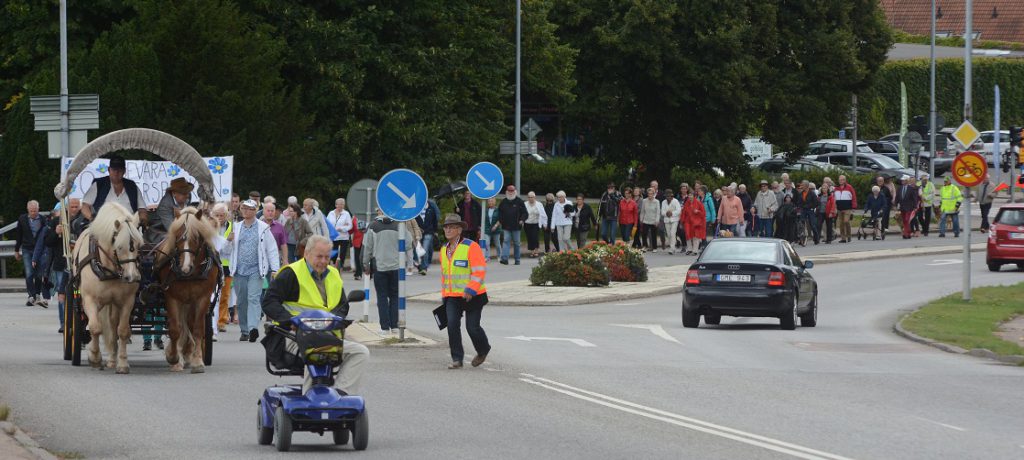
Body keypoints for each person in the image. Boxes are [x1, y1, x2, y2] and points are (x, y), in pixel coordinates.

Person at [262, 235, 369, 395]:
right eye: (319, 256)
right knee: (319, 349)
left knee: (360, 352)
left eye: (327, 257)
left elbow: (341, 306)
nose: (324, 261)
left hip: (327, 335)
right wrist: (289, 320)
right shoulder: (291, 273)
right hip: (292, 336)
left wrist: (335, 320)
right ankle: (310, 399)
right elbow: (269, 302)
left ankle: (340, 394)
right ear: (307, 254)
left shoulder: (333, 274)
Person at [439, 214, 491, 369]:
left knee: (472, 327)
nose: (448, 230)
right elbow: (445, 275)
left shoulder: (471, 246)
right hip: (452, 296)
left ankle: (483, 350)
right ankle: (457, 359)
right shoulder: (443, 249)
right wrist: (444, 296)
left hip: (473, 295)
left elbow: (479, 271)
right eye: (446, 227)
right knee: (452, 325)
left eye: (452, 227)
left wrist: (471, 289)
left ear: (459, 230)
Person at [229, 199, 281, 342]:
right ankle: (244, 329)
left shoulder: (263, 228)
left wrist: (275, 268)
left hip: (256, 269)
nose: (246, 211)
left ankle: (253, 328)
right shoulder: (236, 227)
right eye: (243, 208)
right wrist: (228, 240)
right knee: (241, 301)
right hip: (239, 269)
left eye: (249, 209)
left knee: (253, 298)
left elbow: (271, 249)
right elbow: (227, 250)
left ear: (255, 211)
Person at [362, 209, 400, 336]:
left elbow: (367, 246)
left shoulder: (373, 226)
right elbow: (408, 244)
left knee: (382, 297)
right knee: (395, 296)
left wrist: (365, 263)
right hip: (396, 266)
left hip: (379, 266)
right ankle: (395, 326)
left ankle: (384, 328)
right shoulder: (399, 224)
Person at [80, 155, 147, 222]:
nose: (116, 173)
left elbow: (142, 209)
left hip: (129, 224)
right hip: (104, 225)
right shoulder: (99, 184)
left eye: (119, 170)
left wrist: (141, 222)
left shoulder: (132, 186)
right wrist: (93, 220)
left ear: (124, 171)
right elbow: (85, 206)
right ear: (109, 170)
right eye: (114, 169)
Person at [13, 200, 50, 307]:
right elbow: (19, 235)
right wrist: (16, 250)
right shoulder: (22, 219)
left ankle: (38, 294)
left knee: (39, 274)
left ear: (38, 209)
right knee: (29, 273)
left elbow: (46, 236)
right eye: (31, 211)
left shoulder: (43, 219)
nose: (33, 213)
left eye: (35, 211)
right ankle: (31, 295)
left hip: (39, 251)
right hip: (27, 249)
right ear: (28, 210)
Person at [210, 202, 234, 335]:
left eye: (222, 215)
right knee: (213, 295)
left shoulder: (232, 227)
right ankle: (212, 320)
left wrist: (227, 244)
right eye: (217, 215)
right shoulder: (209, 227)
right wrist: (226, 242)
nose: (219, 217)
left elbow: (229, 250)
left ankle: (222, 321)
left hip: (227, 264)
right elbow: (216, 247)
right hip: (213, 264)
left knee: (225, 295)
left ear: (226, 215)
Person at [146, 178, 193, 244]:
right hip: (160, 233)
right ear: (174, 193)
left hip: (182, 229)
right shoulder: (165, 205)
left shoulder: (187, 196)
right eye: (184, 193)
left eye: (188, 192)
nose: (187, 195)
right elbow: (172, 228)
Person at [497, 185, 528, 265]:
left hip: (516, 226)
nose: (511, 193)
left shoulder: (519, 201)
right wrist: (500, 220)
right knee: (506, 241)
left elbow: (525, 213)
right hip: (506, 226)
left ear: (515, 192)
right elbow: (499, 212)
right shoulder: (503, 202)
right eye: (509, 191)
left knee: (516, 243)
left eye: (512, 191)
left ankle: (517, 259)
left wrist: (522, 220)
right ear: (506, 192)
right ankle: (504, 259)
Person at [326, 198, 353, 270]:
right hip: (333, 237)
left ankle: (340, 266)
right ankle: (334, 264)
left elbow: (350, 226)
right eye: (339, 204)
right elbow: (327, 224)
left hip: (343, 237)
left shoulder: (346, 214)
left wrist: (342, 228)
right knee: (334, 253)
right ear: (336, 205)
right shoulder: (331, 213)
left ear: (344, 205)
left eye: (342, 204)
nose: (340, 206)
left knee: (342, 254)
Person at [416, 199, 440, 274]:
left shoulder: (431, 209)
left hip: (429, 232)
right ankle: (422, 264)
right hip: (419, 233)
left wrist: (435, 231)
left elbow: (435, 221)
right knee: (421, 249)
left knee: (425, 248)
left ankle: (424, 267)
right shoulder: (416, 210)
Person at [263, 202, 289, 270]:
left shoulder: (280, 227)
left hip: (275, 260)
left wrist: (285, 260)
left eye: (272, 211)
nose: (270, 213)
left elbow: (284, 245)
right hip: (261, 260)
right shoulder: (258, 226)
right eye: (268, 211)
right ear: (263, 211)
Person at [832, 175, 858, 243]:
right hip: (839, 208)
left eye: (842, 180)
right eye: (840, 180)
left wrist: (854, 206)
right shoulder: (835, 188)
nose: (841, 181)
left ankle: (849, 236)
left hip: (847, 208)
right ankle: (843, 238)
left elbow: (854, 196)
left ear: (845, 180)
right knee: (841, 223)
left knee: (846, 221)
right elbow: (833, 197)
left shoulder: (849, 187)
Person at [681, 187, 706, 255]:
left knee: (696, 236)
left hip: (696, 222)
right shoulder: (686, 203)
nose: (690, 196)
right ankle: (689, 249)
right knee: (688, 235)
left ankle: (695, 250)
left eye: (691, 195)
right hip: (688, 222)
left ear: (694, 196)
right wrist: (682, 221)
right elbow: (683, 212)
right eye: (689, 195)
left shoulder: (698, 203)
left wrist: (698, 211)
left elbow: (703, 213)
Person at [895, 175, 920, 239]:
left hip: (909, 207)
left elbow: (914, 198)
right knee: (904, 220)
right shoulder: (899, 188)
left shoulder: (911, 188)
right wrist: (896, 204)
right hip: (902, 207)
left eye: (903, 180)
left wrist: (915, 207)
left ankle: (905, 233)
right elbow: (897, 197)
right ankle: (908, 233)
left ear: (907, 181)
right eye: (902, 180)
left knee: (907, 219)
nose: (902, 181)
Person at [523, 192, 546, 258]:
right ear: (528, 198)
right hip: (527, 223)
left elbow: (543, 214)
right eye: (529, 197)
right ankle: (532, 251)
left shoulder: (539, 204)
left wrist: (545, 223)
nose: (531, 198)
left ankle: (536, 250)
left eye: (532, 197)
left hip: (536, 223)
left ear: (534, 197)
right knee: (529, 237)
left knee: (535, 237)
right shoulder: (525, 204)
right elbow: (522, 213)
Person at [797, 181, 820, 245]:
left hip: (810, 210)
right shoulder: (801, 193)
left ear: (806, 186)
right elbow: (799, 202)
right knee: (801, 224)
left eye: (803, 185)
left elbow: (816, 202)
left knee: (812, 225)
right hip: (803, 210)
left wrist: (812, 207)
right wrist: (800, 207)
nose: (801, 187)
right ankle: (802, 239)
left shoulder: (812, 193)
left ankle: (816, 238)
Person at [640, 187, 661, 252]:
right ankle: (644, 246)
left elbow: (658, 212)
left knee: (653, 235)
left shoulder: (657, 201)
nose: (650, 195)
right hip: (646, 220)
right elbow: (642, 211)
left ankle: (655, 248)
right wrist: (641, 219)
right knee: (644, 234)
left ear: (654, 194)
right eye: (649, 194)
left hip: (654, 220)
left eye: (651, 194)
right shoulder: (644, 201)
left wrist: (657, 221)